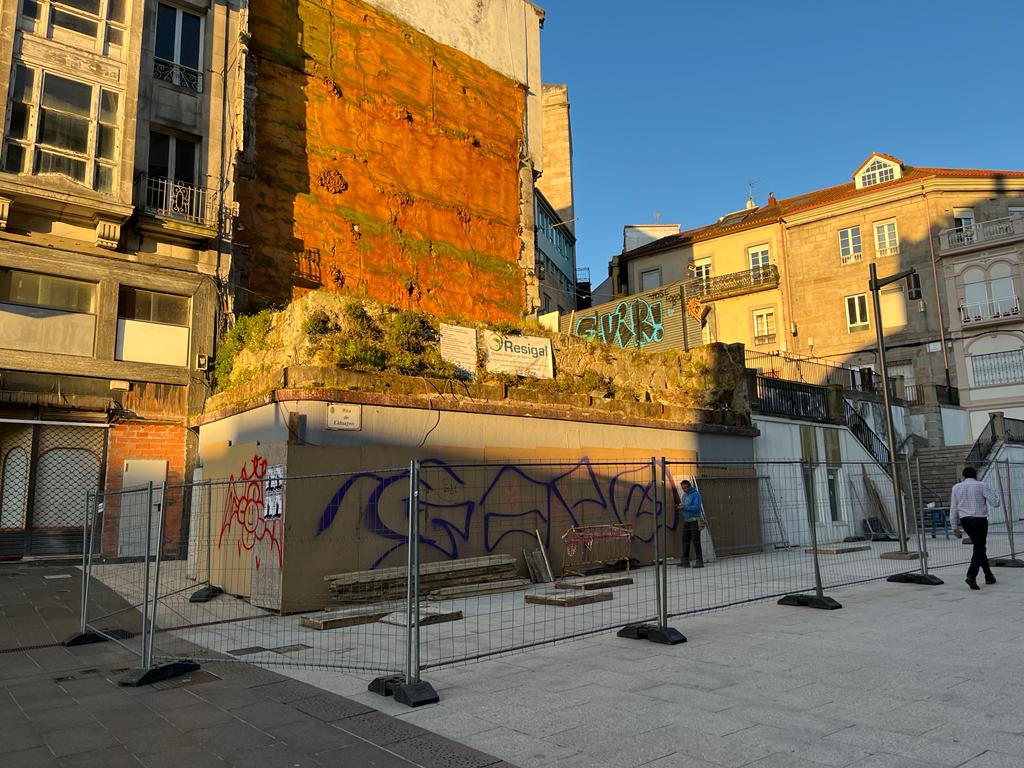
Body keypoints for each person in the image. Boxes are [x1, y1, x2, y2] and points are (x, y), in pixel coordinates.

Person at [950, 466, 1001, 590]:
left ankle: (989, 575)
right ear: (975, 475)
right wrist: (995, 493)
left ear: (963, 476)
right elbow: (995, 503)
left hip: (965, 520)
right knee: (979, 547)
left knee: (979, 547)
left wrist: (954, 526)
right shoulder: (981, 485)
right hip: (979, 519)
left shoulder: (956, 487)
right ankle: (971, 575)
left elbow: (953, 507)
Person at [677, 479, 704, 568]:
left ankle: (700, 560)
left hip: (694, 520)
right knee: (685, 541)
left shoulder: (695, 495)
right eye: (682, 488)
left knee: (696, 541)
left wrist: (684, 507)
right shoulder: (684, 495)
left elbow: (696, 508)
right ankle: (685, 561)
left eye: (685, 488)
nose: (684, 490)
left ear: (689, 486)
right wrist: (681, 507)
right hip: (686, 520)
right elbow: (684, 505)